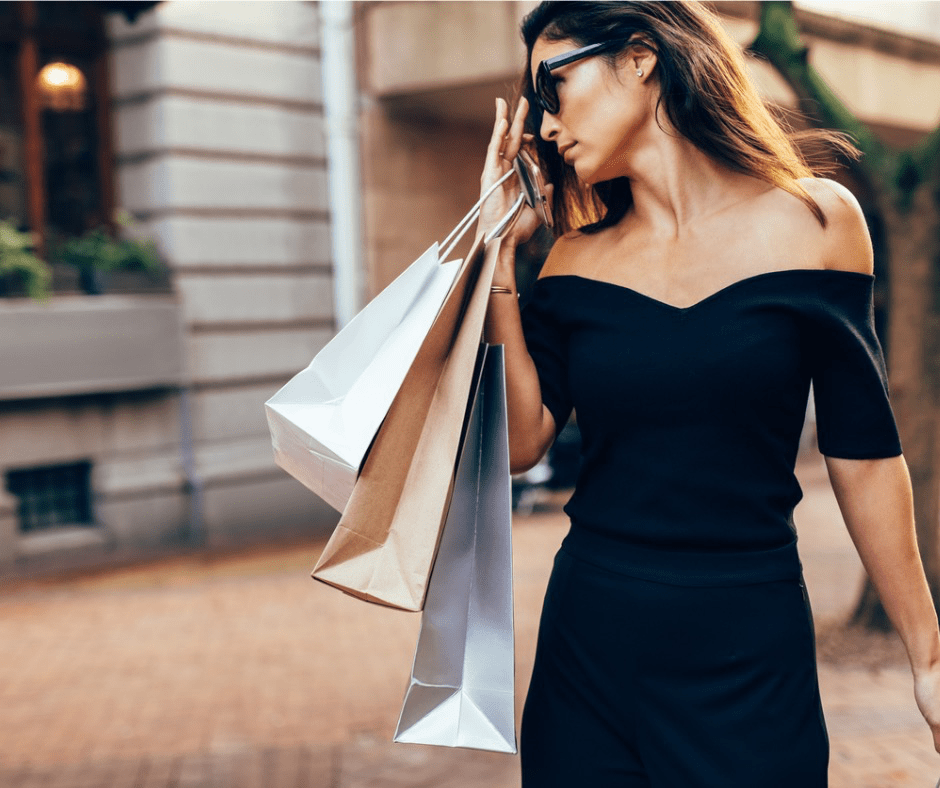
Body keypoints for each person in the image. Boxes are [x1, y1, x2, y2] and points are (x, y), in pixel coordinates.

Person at [478, 2, 940, 786]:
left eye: (552, 90)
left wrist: (927, 653)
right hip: (590, 646)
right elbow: (522, 443)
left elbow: (863, 455)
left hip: (748, 651)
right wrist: (498, 262)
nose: (546, 128)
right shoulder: (570, 264)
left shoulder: (818, 223)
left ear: (638, 57)